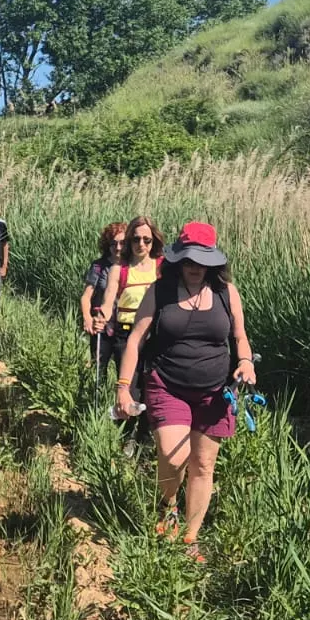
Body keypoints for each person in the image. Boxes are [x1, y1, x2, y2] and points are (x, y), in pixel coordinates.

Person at [113, 221, 256, 562]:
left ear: (213, 263)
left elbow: (239, 337)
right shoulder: (160, 292)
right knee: (174, 456)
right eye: (189, 260)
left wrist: (246, 362)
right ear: (179, 259)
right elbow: (135, 341)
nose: (194, 267)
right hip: (167, 384)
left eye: (202, 261)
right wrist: (123, 388)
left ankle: (189, 537)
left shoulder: (226, 292)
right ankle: (169, 504)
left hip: (214, 391)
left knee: (203, 464)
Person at [92, 216, 164, 387]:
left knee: (155, 389)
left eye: (147, 240)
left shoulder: (162, 267)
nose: (141, 244)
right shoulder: (119, 269)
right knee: (130, 389)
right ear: (129, 241)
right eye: (136, 239)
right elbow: (108, 301)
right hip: (126, 334)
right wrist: (101, 318)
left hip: (156, 335)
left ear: (154, 241)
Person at [80, 222, 126, 377]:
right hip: (101, 326)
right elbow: (86, 296)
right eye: (114, 243)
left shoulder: (132, 266)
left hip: (124, 327)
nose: (118, 247)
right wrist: (87, 318)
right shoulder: (99, 266)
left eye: (122, 243)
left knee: (124, 372)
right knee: (98, 369)